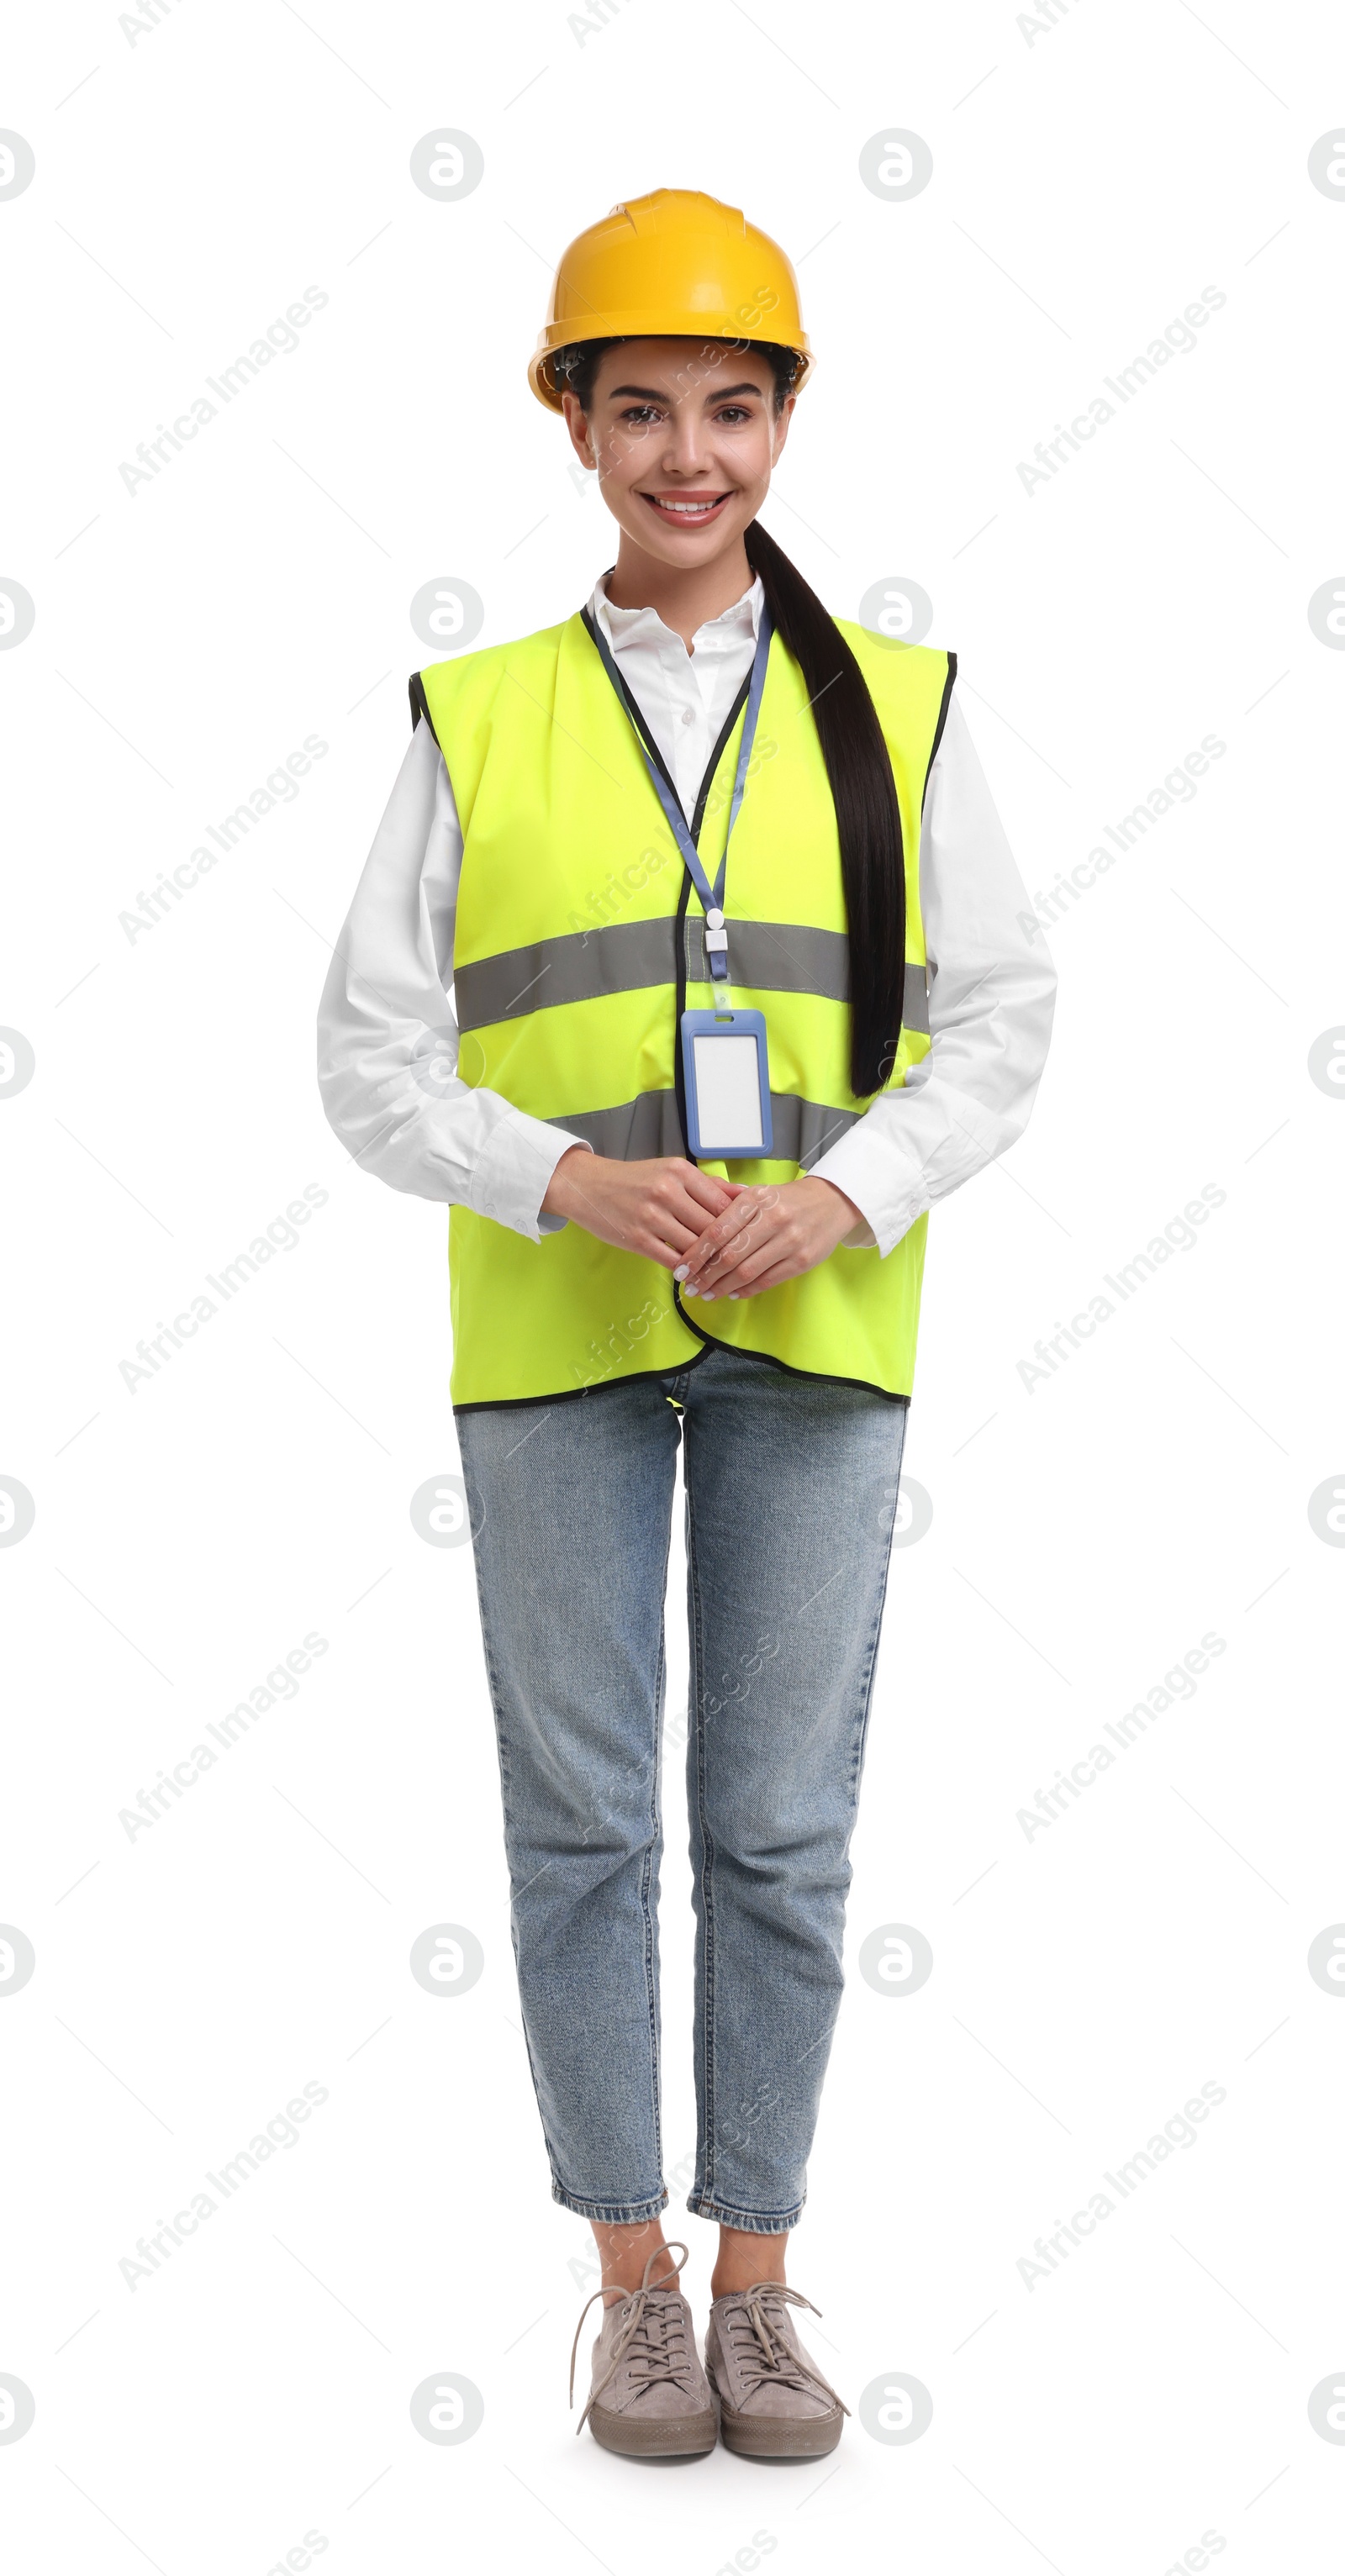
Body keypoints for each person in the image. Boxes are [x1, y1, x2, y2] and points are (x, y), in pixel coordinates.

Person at [316, 187, 1057, 2463]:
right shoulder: (486, 711)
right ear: (574, 426)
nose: (689, 450)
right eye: (639, 405)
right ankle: (626, 2278)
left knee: (774, 1822)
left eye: (731, 404)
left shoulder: (900, 713)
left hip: (812, 1337)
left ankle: (761, 2272)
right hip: (554, 1333)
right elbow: (369, 1054)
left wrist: (840, 1189)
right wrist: (561, 1172)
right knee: (584, 1816)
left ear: (784, 417)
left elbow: (1001, 1022)